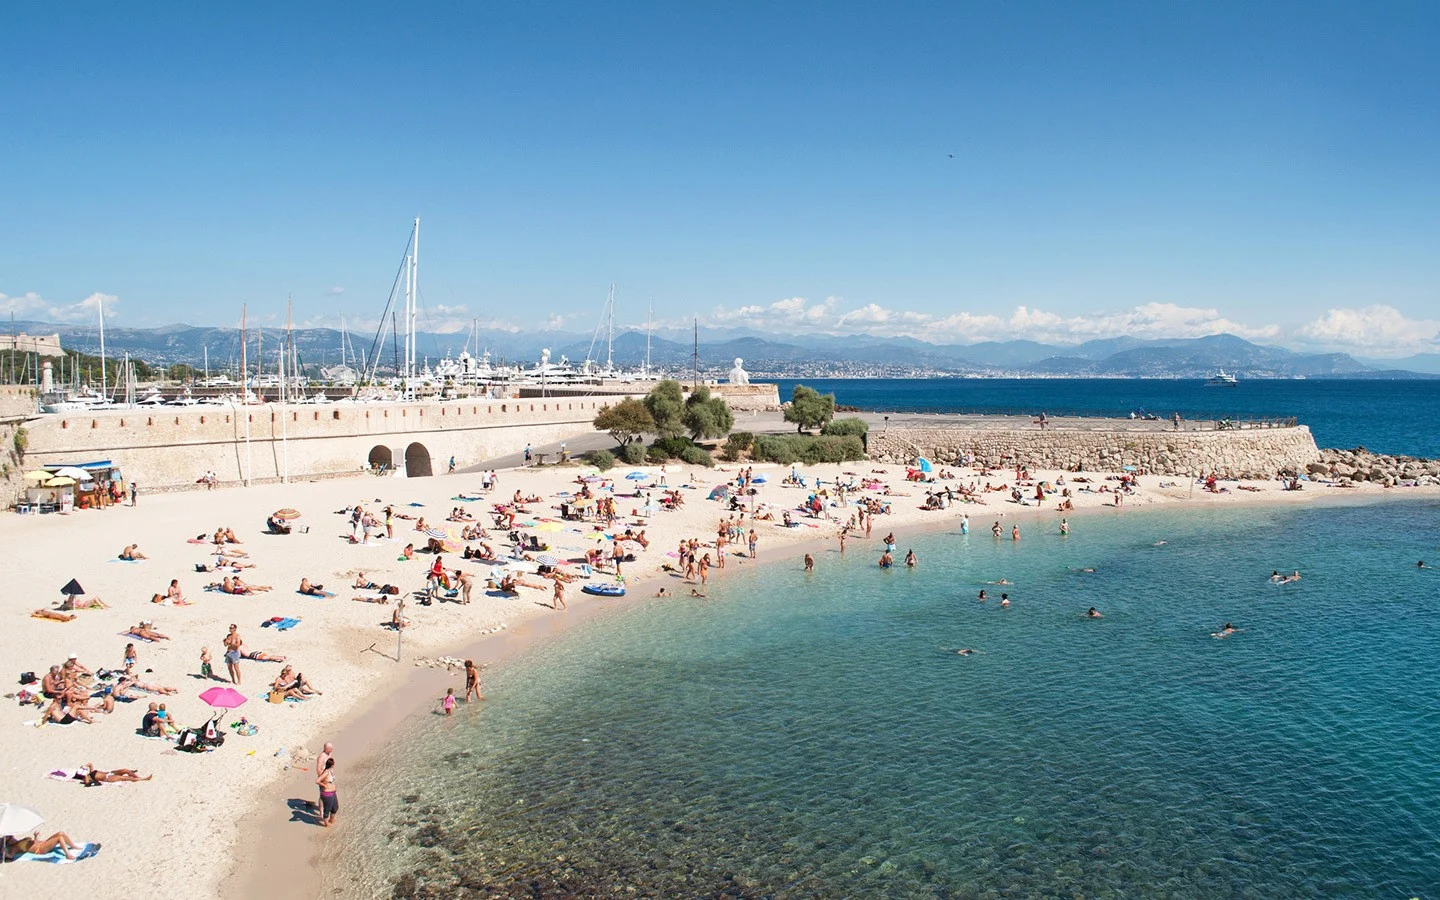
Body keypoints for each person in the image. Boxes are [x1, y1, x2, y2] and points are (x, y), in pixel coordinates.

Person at [1, 830, 86, 861]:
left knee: (61, 833)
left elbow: (34, 842)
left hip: (42, 843)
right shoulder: (14, 848)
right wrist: (5, 853)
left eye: (11, 836)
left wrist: (36, 837)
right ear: (8, 842)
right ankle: (68, 855)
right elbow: (10, 856)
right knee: (59, 838)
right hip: (40, 849)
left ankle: (73, 846)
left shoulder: (21, 840)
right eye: (10, 838)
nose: (12, 838)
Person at [316, 757, 338, 827]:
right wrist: (324, 785)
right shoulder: (326, 773)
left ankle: (332, 820)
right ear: (332, 765)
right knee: (327, 810)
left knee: (335, 807)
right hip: (327, 794)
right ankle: (326, 824)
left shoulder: (331, 770)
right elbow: (317, 781)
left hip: (333, 793)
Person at [312, 743, 334, 812]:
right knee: (322, 794)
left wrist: (333, 774)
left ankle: (328, 807)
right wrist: (322, 778)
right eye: (330, 749)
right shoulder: (321, 757)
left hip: (329, 776)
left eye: (332, 748)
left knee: (330, 792)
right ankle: (321, 811)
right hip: (323, 777)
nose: (332, 750)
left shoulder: (329, 753)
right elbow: (318, 769)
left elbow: (330, 765)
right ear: (325, 749)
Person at [82, 764, 152, 785]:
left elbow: (90, 764)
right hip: (108, 778)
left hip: (110, 772)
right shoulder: (87, 777)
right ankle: (144, 779)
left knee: (125, 770)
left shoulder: (91, 773)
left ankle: (137, 777)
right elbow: (87, 783)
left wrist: (84, 766)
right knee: (126, 778)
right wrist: (84, 775)